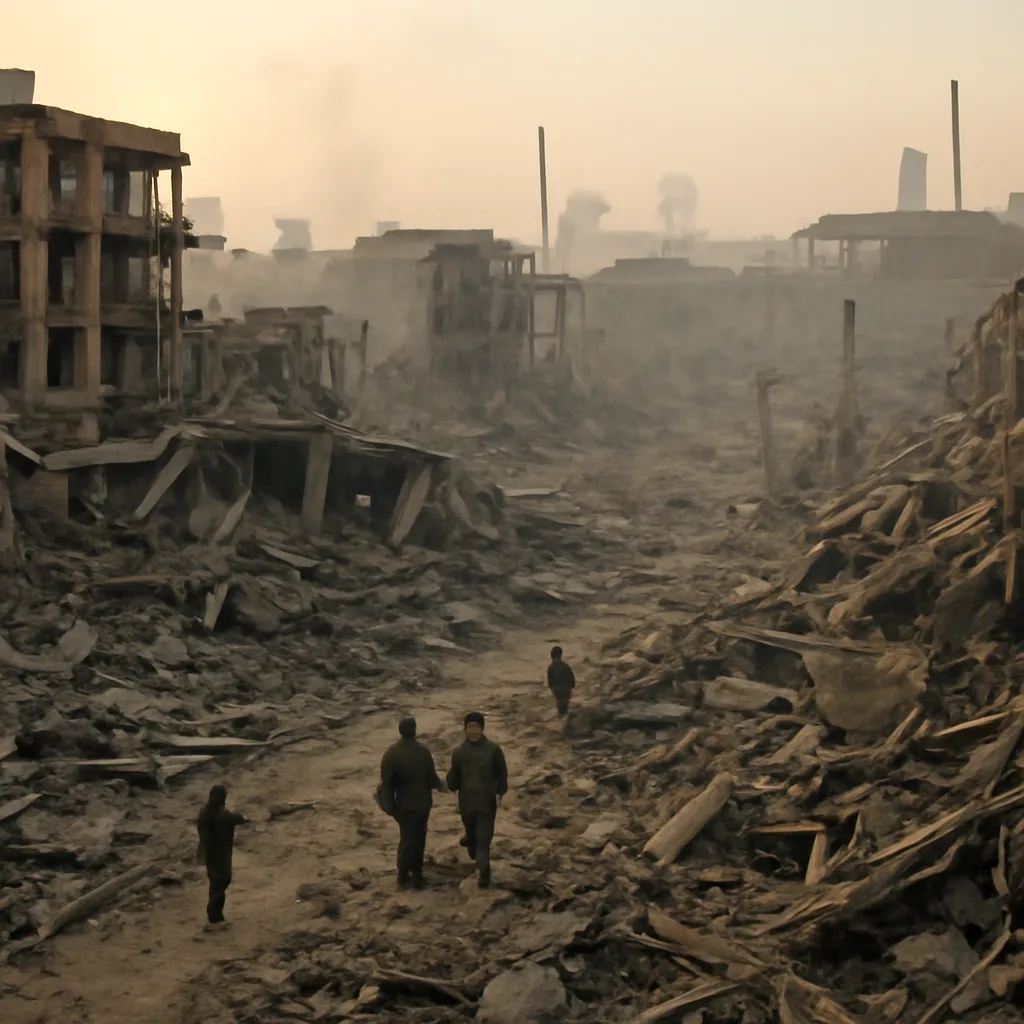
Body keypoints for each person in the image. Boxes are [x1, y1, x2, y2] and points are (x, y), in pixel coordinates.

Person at [379, 717, 445, 891]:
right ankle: (417, 877)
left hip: (404, 806)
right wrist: (447, 786)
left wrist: (389, 807)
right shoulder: (423, 751)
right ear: (414, 730)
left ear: (400, 731)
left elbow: (387, 785)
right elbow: (433, 779)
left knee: (406, 841)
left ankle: (402, 877)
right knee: (419, 840)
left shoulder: (391, 753)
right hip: (422, 805)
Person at [446, 712, 508, 889]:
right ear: (465, 729)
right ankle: (473, 850)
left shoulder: (494, 750)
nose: (473, 731)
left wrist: (500, 793)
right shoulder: (459, 752)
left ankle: (484, 875)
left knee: (483, 839)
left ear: (482, 728)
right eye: (470, 727)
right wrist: (449, 783)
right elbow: (453, 780)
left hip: (487, 803)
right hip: (466, 803)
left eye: (476, 727)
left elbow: (502, 774)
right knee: (473, 838)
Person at [196, 784, 246, 928]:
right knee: (221, 883)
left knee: (215, 884)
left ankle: (214, 916)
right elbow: (239, 818)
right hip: (221, 854)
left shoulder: (204, 812)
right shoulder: (222, 815)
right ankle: (215, 919)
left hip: (208, 853)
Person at [547, 646, 576, 718]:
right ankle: (564, 715)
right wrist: (571, 687)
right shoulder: (566, 666)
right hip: (567, 688)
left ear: (551, 655)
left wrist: (553, 689)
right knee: (565, 704)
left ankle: (561, 717)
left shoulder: (551, 667)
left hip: (558, 689)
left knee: (560, 703)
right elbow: (572, 679)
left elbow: (550, 682)